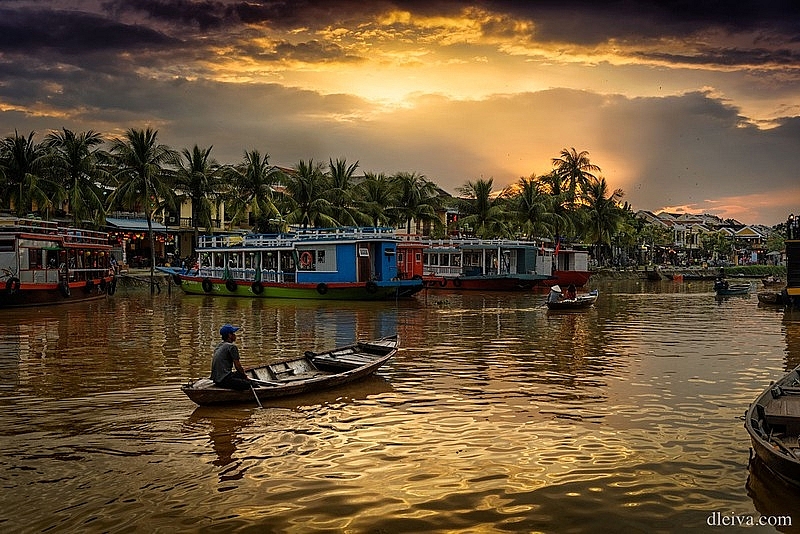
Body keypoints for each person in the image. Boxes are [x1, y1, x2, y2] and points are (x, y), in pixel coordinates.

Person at [211, 324, 252, 390]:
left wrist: (242, 375)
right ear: (230, 335)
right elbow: (238, 366)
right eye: (233, 333)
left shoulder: (219, 346)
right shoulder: (232, 347)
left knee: (239, 375)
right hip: (224, 380)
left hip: (216, 380)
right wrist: (245, 377)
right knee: (248, 384)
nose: (235, 335)